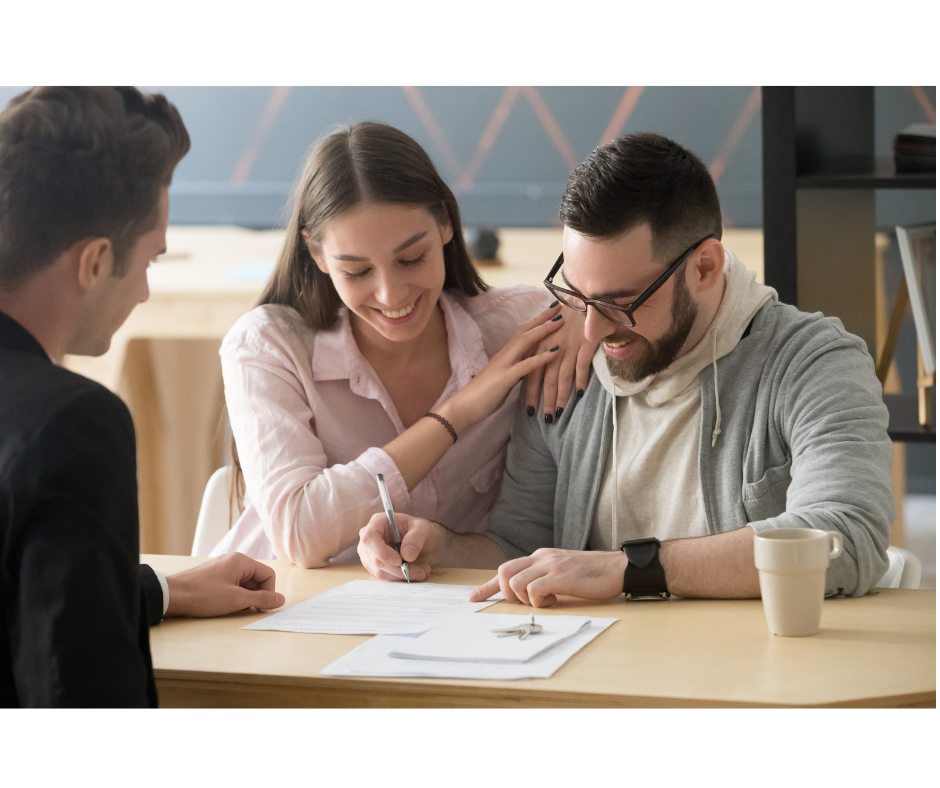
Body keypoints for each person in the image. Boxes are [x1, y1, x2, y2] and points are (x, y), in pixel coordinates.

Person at [357, 132, 894, 604]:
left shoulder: (813, 363)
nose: (590, 331)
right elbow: (524, 545)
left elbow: (847, 538)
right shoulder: (565, 370)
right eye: (577, 295)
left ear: (705, 267)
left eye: (618, 303)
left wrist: (629, 569)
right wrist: (442, 545)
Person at [0, 86, 285, 708]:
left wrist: (160, 589)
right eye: (151, 260)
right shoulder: (71, 423)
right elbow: (80, 692)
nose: (146, 295)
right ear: (96, 262)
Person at [211, 122, 596, 567]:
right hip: (285, 611)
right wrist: (456, 413)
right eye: (356, 272)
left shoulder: (520, 330)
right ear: (317, 255)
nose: (391, 295)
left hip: (460, 616)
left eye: (412, 259)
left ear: (447, 225)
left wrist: (583, 308)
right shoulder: (267, 346)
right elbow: (299, 535)